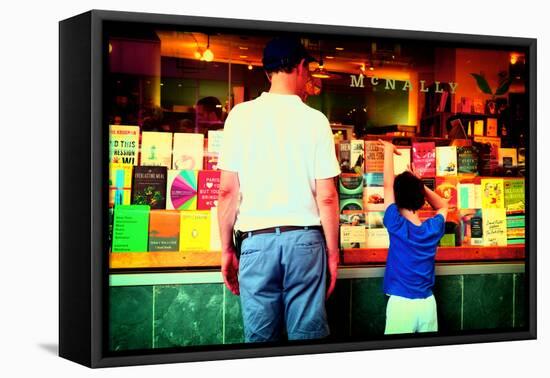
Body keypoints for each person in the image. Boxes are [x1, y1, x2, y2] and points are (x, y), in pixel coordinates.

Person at [216, 36, 341, 343]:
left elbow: (227, 193)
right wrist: (334, 254)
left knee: (260, 342)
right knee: (307, 339)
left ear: (268, 73)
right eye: (308, 70)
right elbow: (326, 196)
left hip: (255, 243)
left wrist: (227, 250)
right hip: (306, 243)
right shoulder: (315, 120)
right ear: (301, 67)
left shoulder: (240, 116)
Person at [379, 139, 449, 335]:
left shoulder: (396, 225)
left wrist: (388, 150)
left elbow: (387, 185)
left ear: (396, 198)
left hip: (401, 305)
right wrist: (420, 184)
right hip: (428, 305)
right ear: (421, 200)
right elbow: (443, 205)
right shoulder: (432, 229)